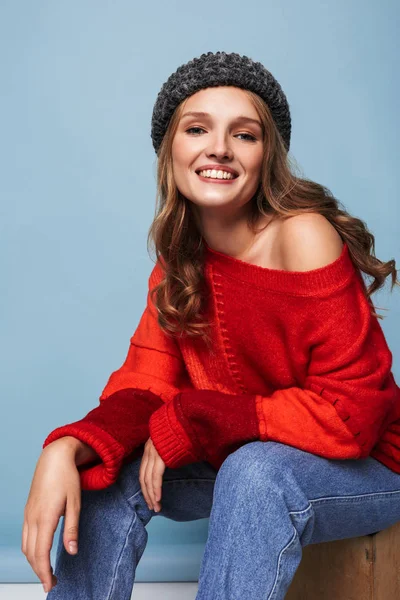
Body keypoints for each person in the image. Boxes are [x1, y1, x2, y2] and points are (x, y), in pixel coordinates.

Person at [22, 51, 400, 599]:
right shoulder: (180, 259)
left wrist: (198, 417)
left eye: (244, 135)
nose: (218, 147)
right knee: (108, 468)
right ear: (169, 151)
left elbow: (354, 415)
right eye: (197, 129)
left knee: (255, 472)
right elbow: (143, 387)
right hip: (258, 457)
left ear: (267, 154)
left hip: (368, 469)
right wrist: (67, 448)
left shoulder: (302, 234)